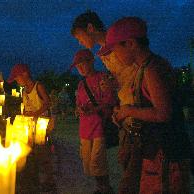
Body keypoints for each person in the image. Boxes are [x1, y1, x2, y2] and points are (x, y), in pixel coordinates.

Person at [99, 16, 191, 193]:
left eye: (116, 49)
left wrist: (128, 111)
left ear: (131, 44)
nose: (115, 56)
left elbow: (163, 113)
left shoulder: (152, 68)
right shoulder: (146, 66)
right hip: (157, 152)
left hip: (166, 153)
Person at [71, 11, 140, 193]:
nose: (79, 42)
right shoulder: (103, 52)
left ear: (90, 28)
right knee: (128, 160)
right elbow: (124, 77)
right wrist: (113, 84)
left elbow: (135, 71)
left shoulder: (116, 41)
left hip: (139, 106)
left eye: (79, 36)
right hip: (128, 109)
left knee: (134, 164)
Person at [71, 49, 116, 194]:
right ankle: (100, 187)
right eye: (77, 66)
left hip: (99, 126)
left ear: (91, 61)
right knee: (88, 161)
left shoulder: (103, 78)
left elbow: (110, 101)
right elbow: (78, 104)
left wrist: (93, 110)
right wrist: (79, 110)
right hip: (84, 128)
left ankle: (105, 188)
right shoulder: (80, 84)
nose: (80, 68)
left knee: (98, 160)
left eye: (82, 64)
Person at [7, 63, 55, 192]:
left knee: (43, 153)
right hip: (30, 127)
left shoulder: (38, 86)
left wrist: (36, 113)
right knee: (33, 154)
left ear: (25, 74)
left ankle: (49, 182)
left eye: (17, 78)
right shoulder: (23, 91)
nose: (17, 81)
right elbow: (26, 106)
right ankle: (37, 180)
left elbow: (47, 102)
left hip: (42, 126)